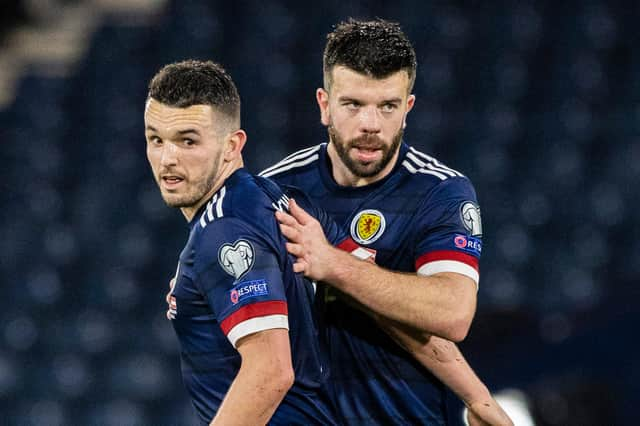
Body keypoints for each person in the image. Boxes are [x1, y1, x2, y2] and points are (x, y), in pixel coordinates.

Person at [264, 19, 513, 425]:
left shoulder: (440, 192)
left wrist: (334, 264)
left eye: (387, 106)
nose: (371, 124)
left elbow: (452, 313)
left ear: (407, 109)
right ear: (324, 104)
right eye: (353, 104)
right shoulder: (276, 190)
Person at [144, 60, 348, 425]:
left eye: (187, 140)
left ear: (231, 145)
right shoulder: (272, 197)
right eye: (155, 139)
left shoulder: (224, 227)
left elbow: (270, 371)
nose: (167, 158)